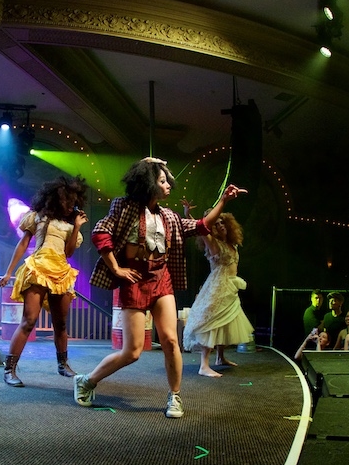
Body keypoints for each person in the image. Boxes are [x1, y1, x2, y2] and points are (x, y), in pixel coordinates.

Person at [73, 157, 246, 418]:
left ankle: (175, 396)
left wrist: (223, 200)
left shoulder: (169, 216)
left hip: (161, 278)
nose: (168, 186)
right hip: (134, 279)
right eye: (162, 181)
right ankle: (87, 380)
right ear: (148, 183)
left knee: (170, 340)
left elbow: (200, 226)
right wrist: (116, 269)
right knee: (132, 352)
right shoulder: (124, 206)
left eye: (167, 181)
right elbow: (100, 233)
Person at [0, 176, 89, 387]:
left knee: (61, 323)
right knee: (29, 320)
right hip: (38, 268)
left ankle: (63, 364)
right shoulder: (38, 217)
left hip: (60, 272)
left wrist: (77, 226)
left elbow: (69, 253)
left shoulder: (69, 227)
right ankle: (9, 369)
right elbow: (23, 244)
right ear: (57, 198)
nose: (71, 206)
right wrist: (9, 272)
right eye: (68, 201)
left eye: (74, 202)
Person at [181, 211, 254, 377]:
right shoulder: (213, 244)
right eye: (216, 224)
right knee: (213, 323)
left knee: (225, 322)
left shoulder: (231, 244)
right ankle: (204, 365)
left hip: (230, 288)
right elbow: (202, 228)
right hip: (217, 288)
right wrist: (189, 216)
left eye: (222, 222)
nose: (220, 226)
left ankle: (220, 357)